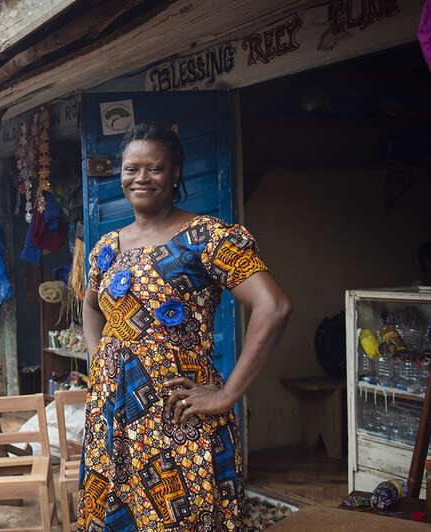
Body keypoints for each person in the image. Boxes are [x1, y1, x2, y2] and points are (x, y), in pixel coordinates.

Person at [79, 122, 292, 530]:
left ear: (176, 173)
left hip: (177, 419)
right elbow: (91, 307)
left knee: (183, 519)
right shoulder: (107, 247)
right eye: (131, 169)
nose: (140, 178)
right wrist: (99, 360)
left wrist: (227, 394)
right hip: (111, 418)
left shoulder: (206, 238)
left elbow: (275, 306)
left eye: (154, 168)